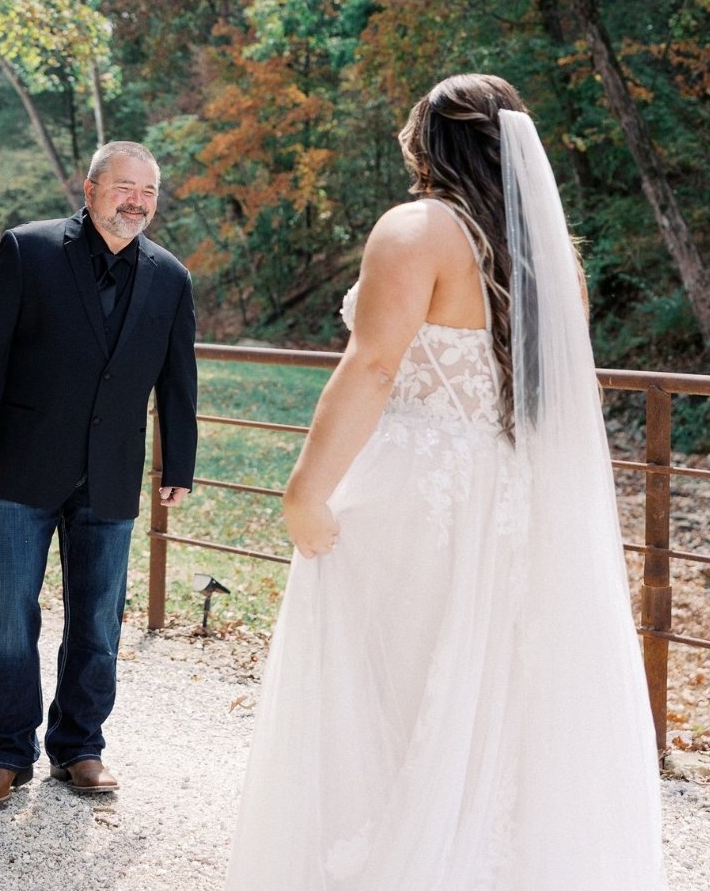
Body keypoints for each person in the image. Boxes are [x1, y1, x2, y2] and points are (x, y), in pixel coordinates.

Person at [224, 75, 665, 890]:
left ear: (431, 139)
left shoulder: (417, 229)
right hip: (511, 490)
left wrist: (305, 490)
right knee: (496, 690)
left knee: (388, 682)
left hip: (418, 493)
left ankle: (393, 859)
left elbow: (376, 364)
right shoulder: (547, 252)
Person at [0, 140, 197, 805]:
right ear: (89, 191)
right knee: (8, 614)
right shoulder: (28, 251)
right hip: (20, 465)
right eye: (124, 187)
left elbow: (178, 382)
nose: (137, 201)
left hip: (111, 475)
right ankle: (4, 753)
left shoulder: (171, 278)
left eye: (148, 191)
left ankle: (80, 746)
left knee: (97, 619)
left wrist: (180, 462)